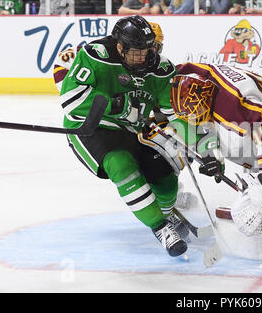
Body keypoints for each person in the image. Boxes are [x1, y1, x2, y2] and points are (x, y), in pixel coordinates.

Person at [56, 16, 189, 257]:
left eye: (147, 50)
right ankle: (160, 227)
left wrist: (192, 143)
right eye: (135, 52)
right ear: (120, 47)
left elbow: (174, 114)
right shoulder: (96, 55)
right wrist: (117, 105)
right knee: (121, 165)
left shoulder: (161, 69)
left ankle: (164, 213)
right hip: (93, 127)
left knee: (165, 176)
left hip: (133, 130)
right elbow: (70, 100)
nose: (142, 57)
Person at [165, 63, 262, 237]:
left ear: (207, 97)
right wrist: (213, 158)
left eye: (197, 111)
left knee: (259, 212)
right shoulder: (194, 79)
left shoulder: (231, 105)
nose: (194, 117)